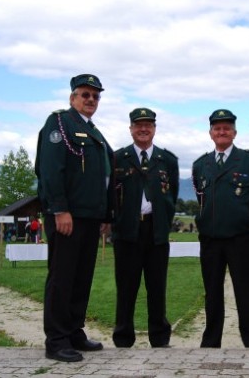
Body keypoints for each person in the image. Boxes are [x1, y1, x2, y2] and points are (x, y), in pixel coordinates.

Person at [35, 73, 115, 362]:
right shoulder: (59, 122)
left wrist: (105, 214)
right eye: (85, 94)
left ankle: (73, 331)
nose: (91, 100)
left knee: (82, 277)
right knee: (62, 277)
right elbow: (50, 169)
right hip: (68, 216)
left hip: (90, 217)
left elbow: (101, 178)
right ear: (72, 98)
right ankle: (56, 341)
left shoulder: (93, 131)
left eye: (95, 96)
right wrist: (60, 209)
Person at [192, 109, 249, 348]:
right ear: (211, 133)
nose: (221, 131)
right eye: (217, 128)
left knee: (246, 293)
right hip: (211, 239)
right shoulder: (200, 164)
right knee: (212, 293)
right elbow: (200, 198)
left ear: (234, 132)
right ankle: (211, 341)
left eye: (226, 128)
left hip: (241, 238)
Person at [110, 107, 179, 348]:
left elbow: (172, 196)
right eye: (138, 125)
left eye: (148, 125)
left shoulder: (167, 160)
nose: (143, 129)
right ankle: (123, 337)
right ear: (130, 129)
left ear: (154, 129)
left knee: (157, 287)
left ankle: (159, 337)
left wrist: (163, 222)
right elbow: (110, 196)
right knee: (126, 287)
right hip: (127, 231)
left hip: (156, 232)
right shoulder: (117, 158)